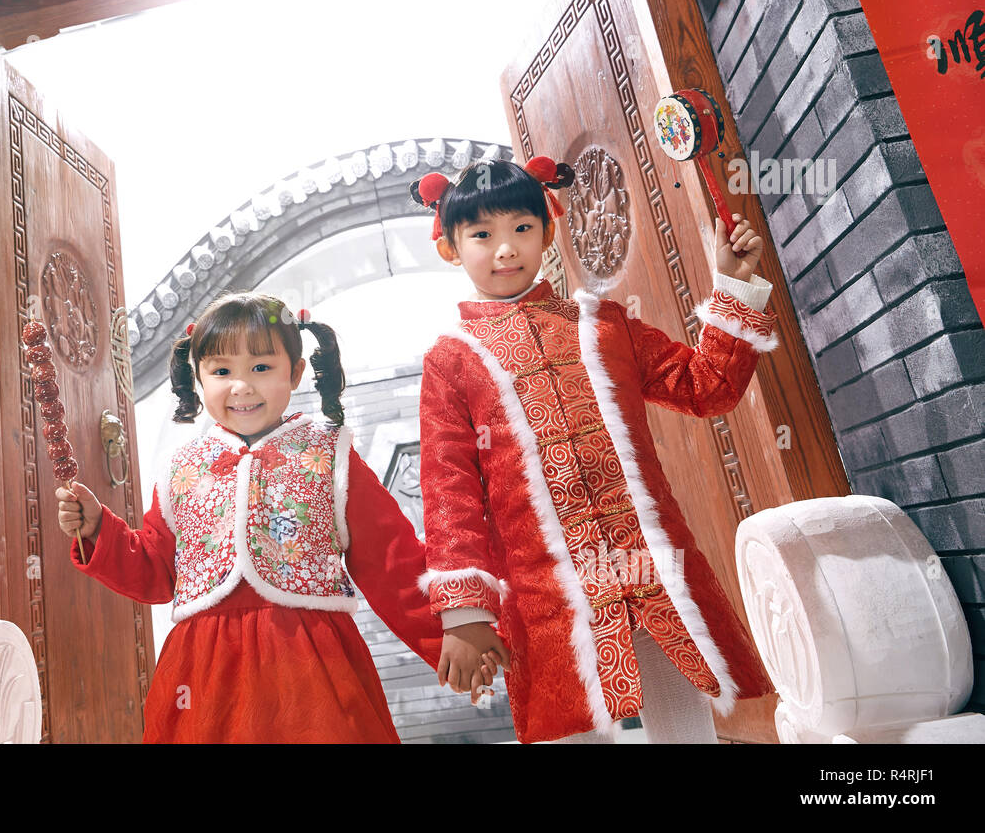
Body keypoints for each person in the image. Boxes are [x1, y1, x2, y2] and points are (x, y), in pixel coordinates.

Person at [412, 156, 777, 743]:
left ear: (548, 230)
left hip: (648, 563)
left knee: (686, 721)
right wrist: (466, 614)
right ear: (451, 248)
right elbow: (448, 493)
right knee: (570, 726)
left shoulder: (605, 324)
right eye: (482, 235)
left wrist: (731, 284)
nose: (504, 249)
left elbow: (705, 387)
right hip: (545, 584)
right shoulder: (451, 360)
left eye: (521, 229)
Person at [57, 292, 445, 742]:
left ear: (296, 372)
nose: (241, 386)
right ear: (198, 377)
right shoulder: (181, 468)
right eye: (221, 371)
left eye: (261, 368)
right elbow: (156, 572)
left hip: (310, 666)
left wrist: (455, 627)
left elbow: (391, 560)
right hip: (203, 673)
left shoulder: (328, 456)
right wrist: (99, 529)